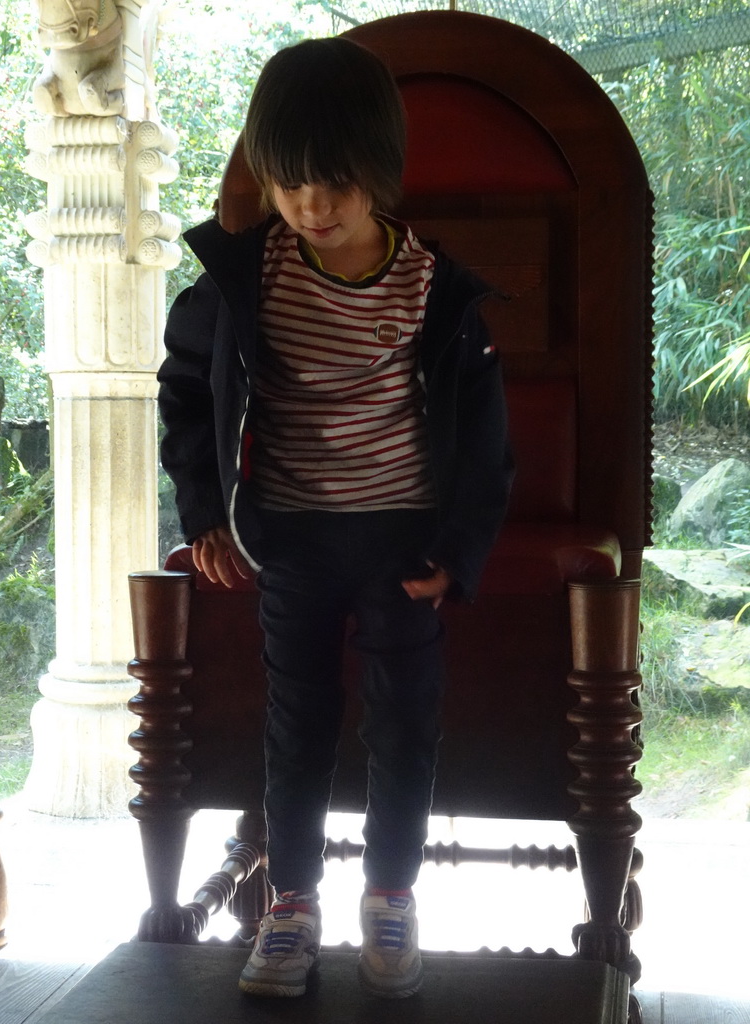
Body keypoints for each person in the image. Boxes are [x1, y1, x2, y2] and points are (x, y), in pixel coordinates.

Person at [158, 35, 513, 1000]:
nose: (313, 207)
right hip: (292, 539)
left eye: (336, 184)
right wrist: (204, 516)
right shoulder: (249, 276)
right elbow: (186, 388)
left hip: (404, 541)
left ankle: (391, 898)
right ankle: (291, 906)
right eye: (291, 184)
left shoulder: (434, 288)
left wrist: (461, 555)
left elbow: (485, 441)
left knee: (405, 726)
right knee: (297, 726)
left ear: (379, 174)